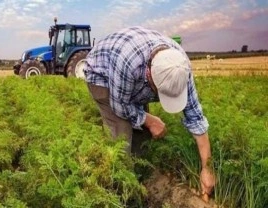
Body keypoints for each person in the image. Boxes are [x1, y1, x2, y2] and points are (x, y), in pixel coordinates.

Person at [83, 26, 215, 197]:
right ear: (151, 77)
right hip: (102, 76)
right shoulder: (128, 63)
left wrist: (207, 168)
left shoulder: (180, 66)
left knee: (142, 135)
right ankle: (120, 192)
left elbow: (195, 118)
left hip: (132, 77)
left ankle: (141, 179)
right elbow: (120, 106)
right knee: (121, 140)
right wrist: (150, 120)